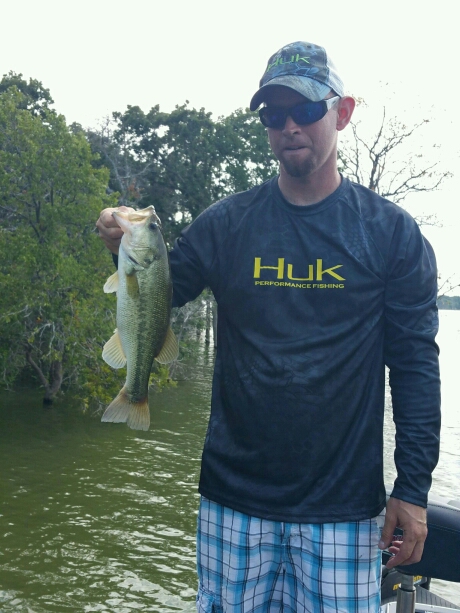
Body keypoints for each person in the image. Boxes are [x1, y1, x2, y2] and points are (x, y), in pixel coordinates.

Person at [96, 41, 441, 613]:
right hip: (233, 500)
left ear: (342, 113)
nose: (289, 126)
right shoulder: (225, 224)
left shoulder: (390, 234)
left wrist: (413, 488)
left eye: (304, 109)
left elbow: (415, 367)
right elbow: (159, 291)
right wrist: (120, 240)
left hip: (343, 508)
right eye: (273, 115)